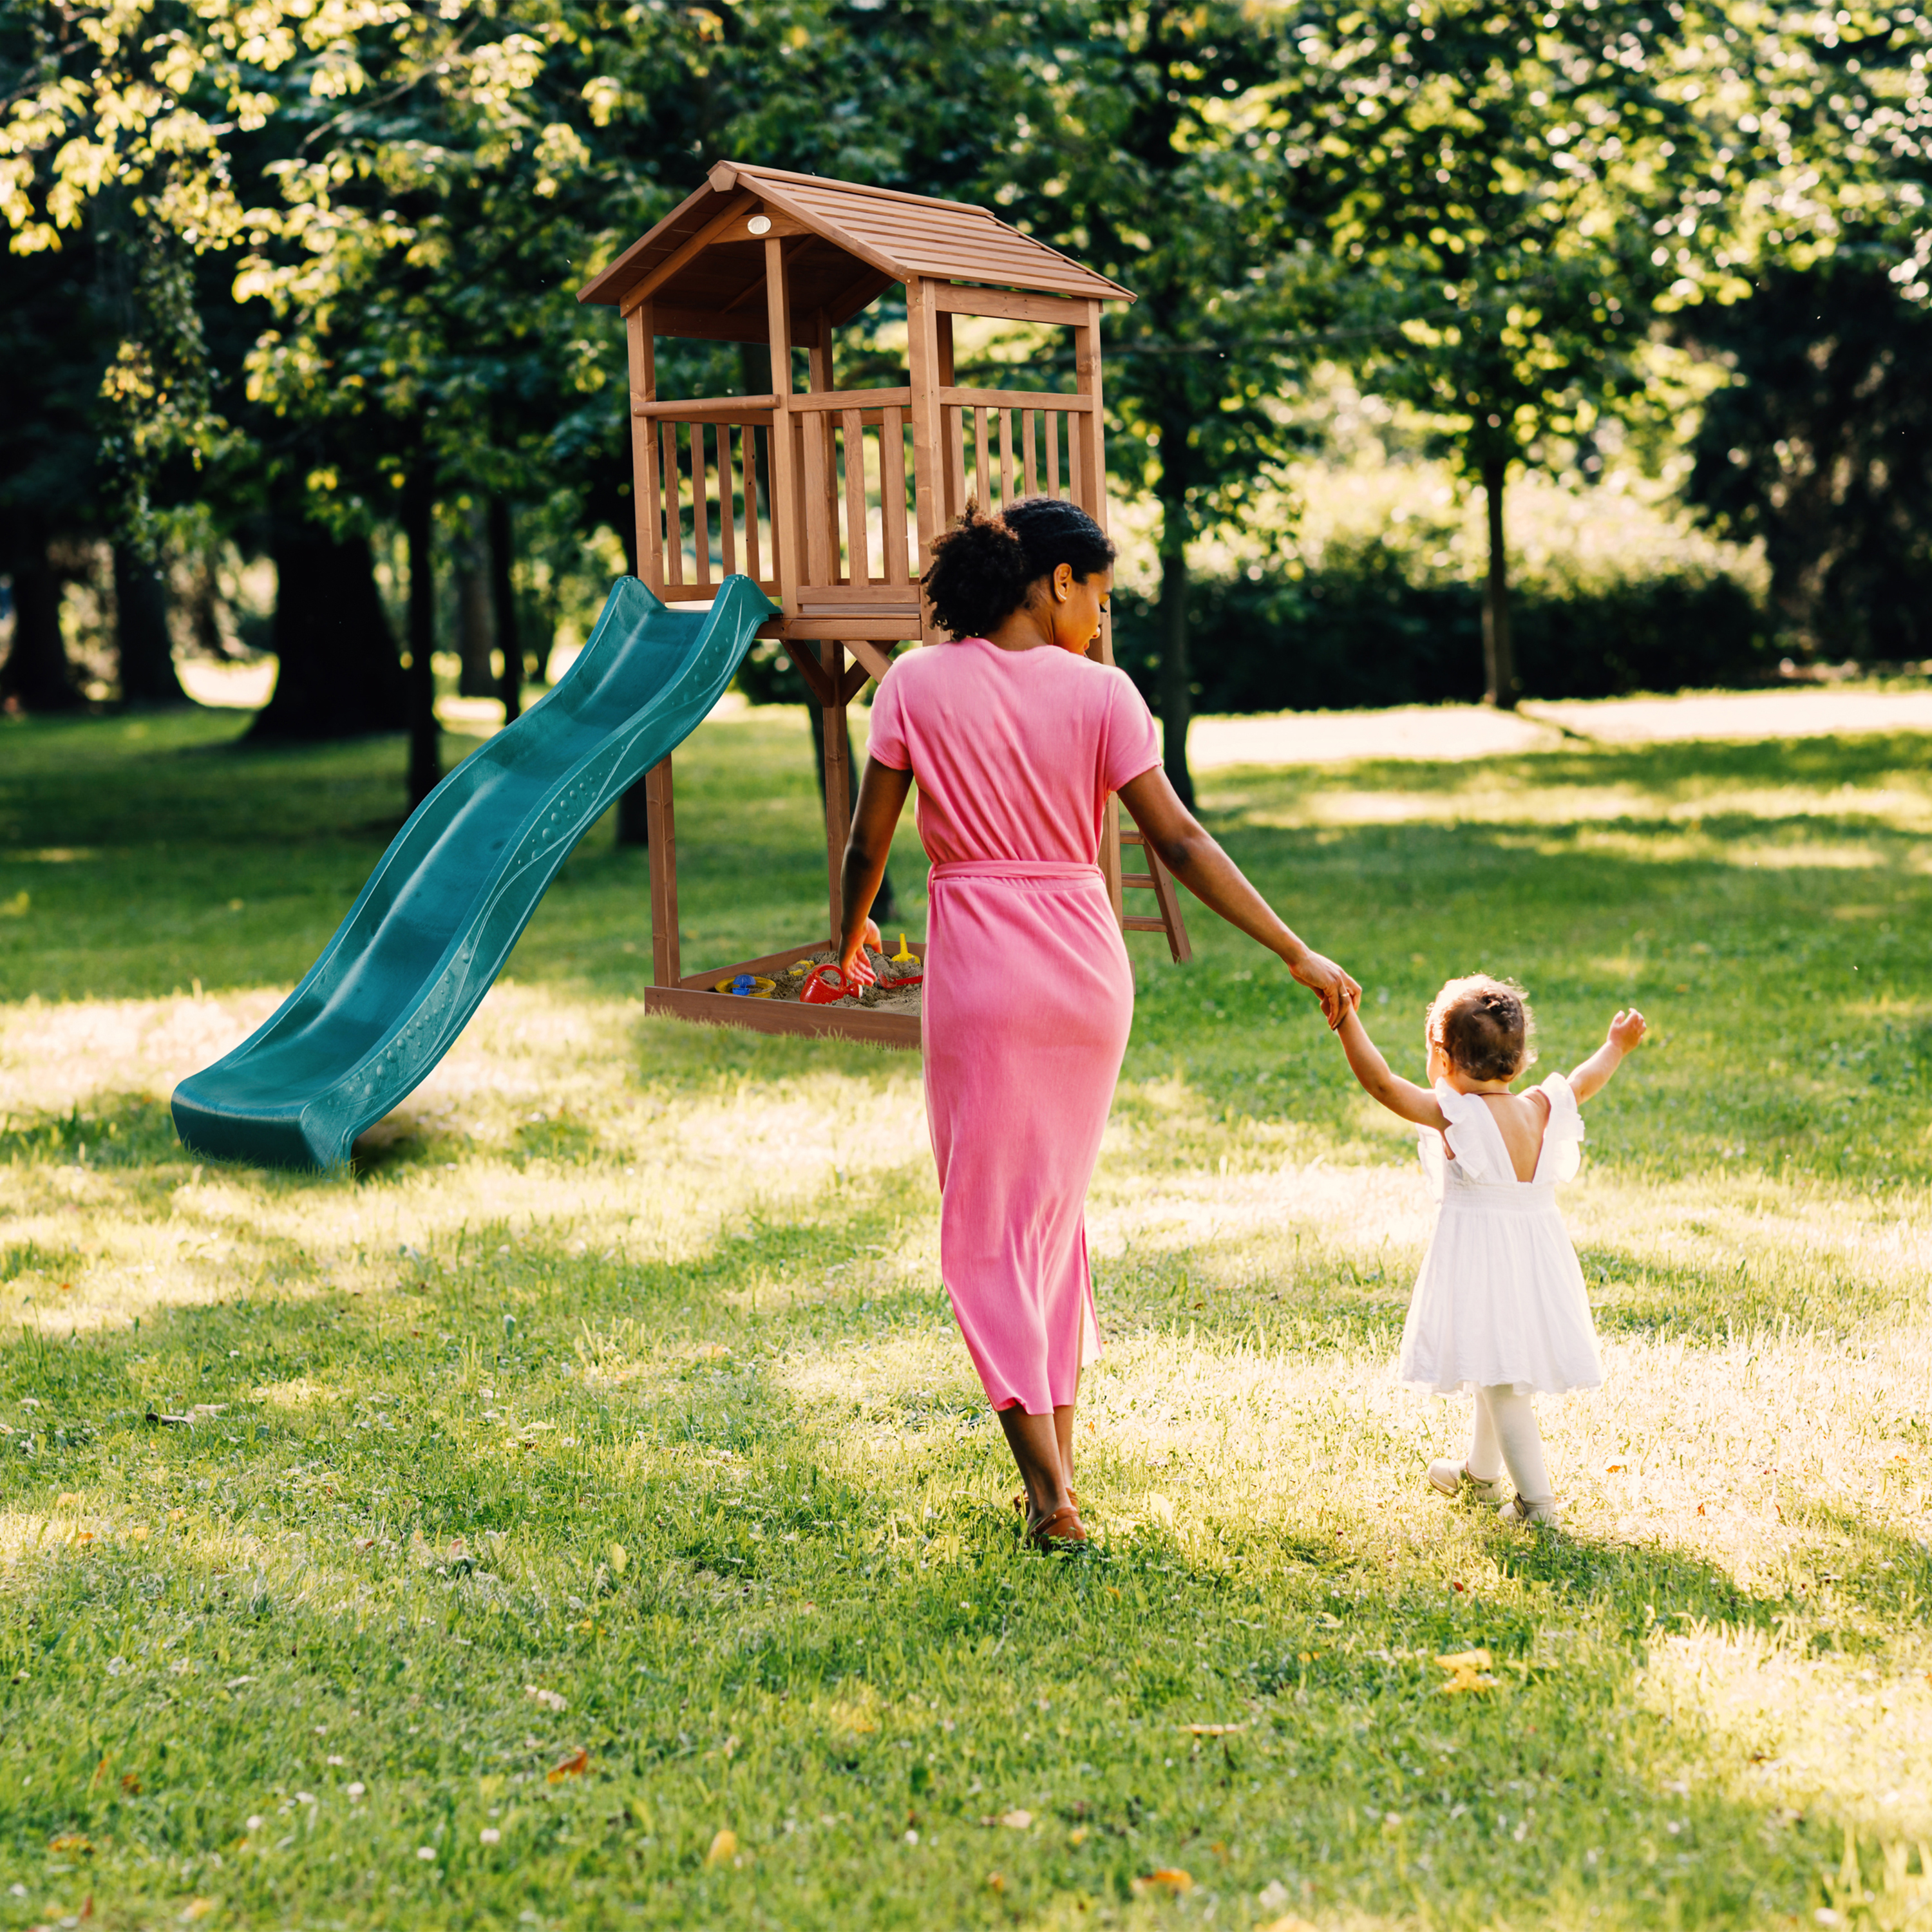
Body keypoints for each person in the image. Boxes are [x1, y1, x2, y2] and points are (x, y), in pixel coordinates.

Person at [835, 498, 1360, 1549]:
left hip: (982, 974)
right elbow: (1179, 842)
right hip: (1085, 974)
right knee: (1047, 1223)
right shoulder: (1106, 697)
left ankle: (1047, 1496)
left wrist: (845, 939)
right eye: (1101, 598)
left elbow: (868, 844)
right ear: (1055, 581)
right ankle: (1058, 1478)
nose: (1103, 623)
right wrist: (1293, 947)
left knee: (987, 1231)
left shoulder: (914, 684)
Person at [1331, 973, 1647, 1526]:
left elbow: (1381, 1083)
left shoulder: (1456, 1115)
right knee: (1490, 1362)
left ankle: (1537, 1506)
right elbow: (1585, 1079)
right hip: (1535, 1261)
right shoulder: (1542, 1106)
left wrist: (1345, 1019)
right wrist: (1615, 1046)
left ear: (1443, 1059)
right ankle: (1480, 1476)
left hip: (1485, 1263)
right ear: (1520, 1061)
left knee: (1503, 1384)